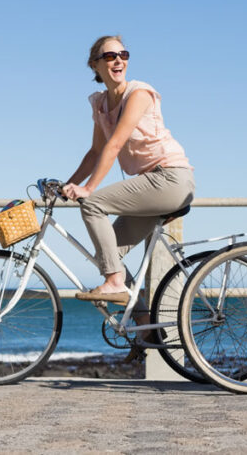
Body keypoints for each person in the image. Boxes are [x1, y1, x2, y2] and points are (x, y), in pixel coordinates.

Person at [62, 35, 195, 305]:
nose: (118, 60)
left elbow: (115, 144)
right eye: (110, 56)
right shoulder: (100, 104)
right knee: (107, 254)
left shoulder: (139, 93)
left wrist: (88, 190)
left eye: (123, 55)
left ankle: (114, 283)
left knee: (93, 205)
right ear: (95, 65)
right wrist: (67, 186)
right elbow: (95, 152)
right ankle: (144, 328)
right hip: (151, 184)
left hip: (171, 178)